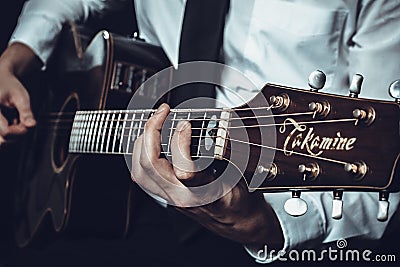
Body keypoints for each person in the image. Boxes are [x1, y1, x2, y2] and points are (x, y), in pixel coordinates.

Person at [0, 0, 399, 265]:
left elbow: (381, 152)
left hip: (273, 217)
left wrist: (266, 224)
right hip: (130, 199)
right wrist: (19, 53)